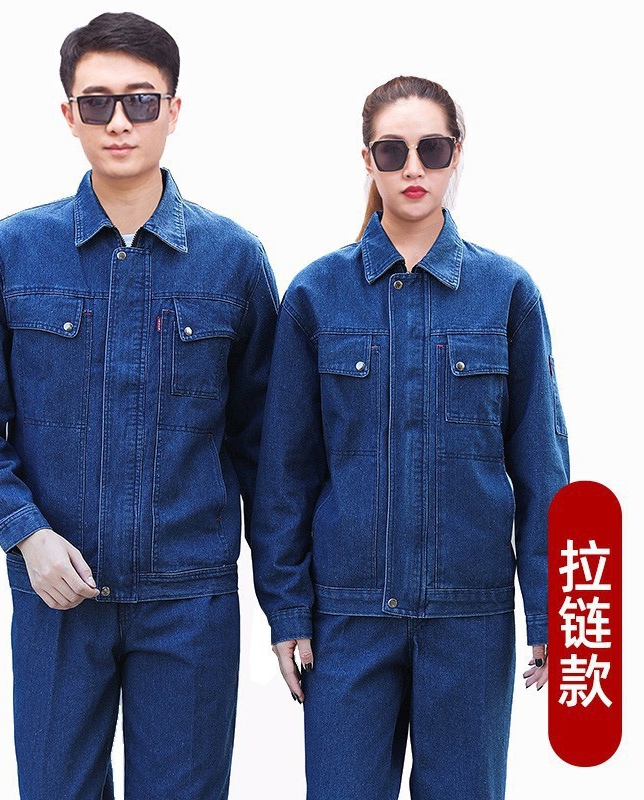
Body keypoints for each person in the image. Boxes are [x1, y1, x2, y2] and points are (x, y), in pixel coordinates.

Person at [0, 12, 278, 799]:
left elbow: (270, 449)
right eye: (97, 103)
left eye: (141, 100)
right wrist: (26, 535)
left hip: (190, 603)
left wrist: (288, 605)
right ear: (69, 115)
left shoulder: (234, 261)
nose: (119, 121)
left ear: (174, 110)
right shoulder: (10, 253)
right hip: (58, 596)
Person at [250, 75, 569, 799]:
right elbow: (284, 474)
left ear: (458, 154)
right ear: (368, 160)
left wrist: (552, 610)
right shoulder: (315, 295)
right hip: (347, 617)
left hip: (470, 616)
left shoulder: (508, 293)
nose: (413, 168)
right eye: (393, 151)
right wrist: (288, 611)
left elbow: (543, 465)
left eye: (433, 149)